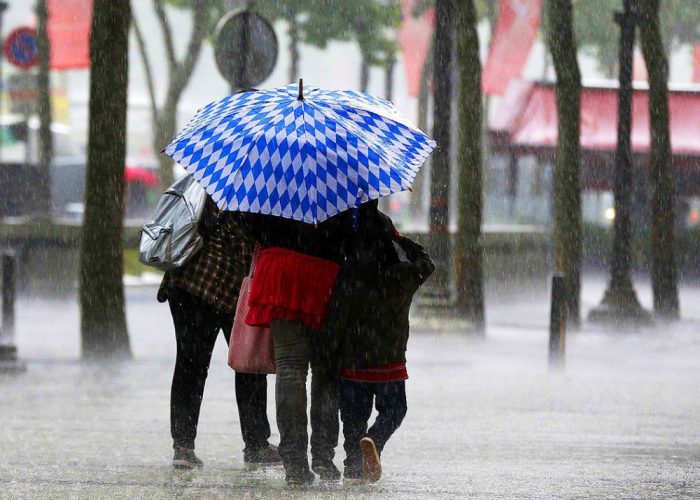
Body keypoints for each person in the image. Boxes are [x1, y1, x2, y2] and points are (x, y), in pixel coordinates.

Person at [157, 196, 280, 470]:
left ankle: (184, 446)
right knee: (248, 363)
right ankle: (256, 443)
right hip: (219, 284)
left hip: (188, 280)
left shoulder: (216, 178)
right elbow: (255, 243)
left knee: (191, 363)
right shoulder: (258, 195)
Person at [325, 201, 435, 483]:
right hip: (389, 360)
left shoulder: (347, 274)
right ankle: (374, 439)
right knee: (395, 409)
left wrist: (332, 352)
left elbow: (337, 317)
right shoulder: (403, 275)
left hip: (353, 360)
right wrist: (400, 239)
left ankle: (352, 469)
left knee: (352, 419)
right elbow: (427, 263)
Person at [241, 212, 352, 485]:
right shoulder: (343, 174)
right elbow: (357, 229)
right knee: (325, 372)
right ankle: (323, 456)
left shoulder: (270, 172)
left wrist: (272, 236)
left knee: (290, 368)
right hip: (326, 272)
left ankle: (294, 462)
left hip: (280, 268)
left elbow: (249, 222)